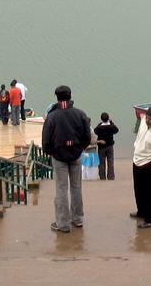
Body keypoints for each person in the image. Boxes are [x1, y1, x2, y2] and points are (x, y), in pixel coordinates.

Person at [41, 85, 91, 233]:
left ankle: (62, 223)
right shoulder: (80, 114)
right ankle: (77, 219)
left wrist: (50, 152)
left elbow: (46, 139)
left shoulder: (52, 116)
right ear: (70, 96)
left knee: (61, 189)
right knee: (76, 188)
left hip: (59, 156)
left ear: (56, 97)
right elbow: (87, 136)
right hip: (76, 154)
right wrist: (80, 147)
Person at [93, 113, 119, 180]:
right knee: (110, 162)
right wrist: (111, 122)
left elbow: (95, 131)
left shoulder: (99, 127)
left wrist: (99, 124)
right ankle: (111, 177)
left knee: (101, 162)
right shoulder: (111, 126)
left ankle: (102, 177)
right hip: (110, 146)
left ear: (101, 119)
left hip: (101, 147)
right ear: (108, 118)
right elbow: (116, 130)